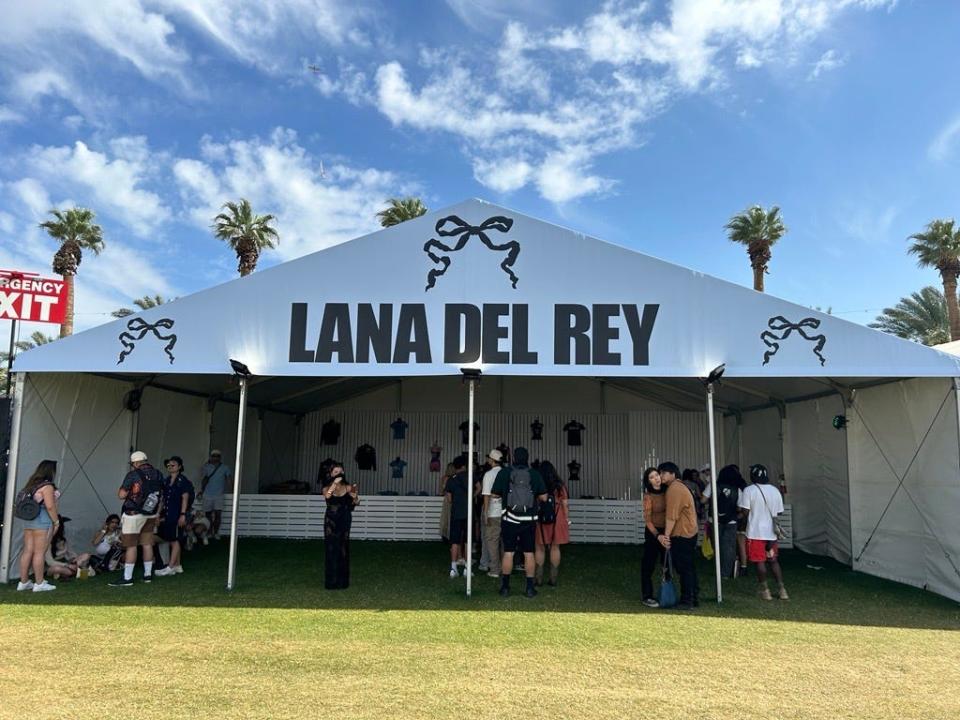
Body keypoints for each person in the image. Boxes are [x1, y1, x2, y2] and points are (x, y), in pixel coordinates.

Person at [491, 447, 548, 598]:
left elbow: (494, 494)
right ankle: (529, 588)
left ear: (513, 458)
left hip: (509, 518)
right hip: (529, 520)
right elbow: (543, 497)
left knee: (508, 552)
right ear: (527, 457)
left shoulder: (505, 473)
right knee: (529, 553)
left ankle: (505, 587)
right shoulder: (534, 474)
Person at [109, 450, 164, 587]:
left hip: (133, 514)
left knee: (131, 545)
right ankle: (147, 574)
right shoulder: (158, 473)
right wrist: (157, 513)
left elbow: (121, 495)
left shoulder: (133, 475)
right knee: (147, 544)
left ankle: (127, 578)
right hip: (150, 513)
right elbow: (161, 495)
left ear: (135, 463)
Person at [739, 464, 788, 600]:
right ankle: (782, 589)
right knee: (773, 560)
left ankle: (765, 590)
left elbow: (745, 511)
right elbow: (779, 511)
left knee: (759, 561)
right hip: (771, 533)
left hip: (755, 533)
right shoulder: (774, 491)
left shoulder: (749, 491)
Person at [16, 460, 61, 592]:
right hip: (42, 519)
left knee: (27, 551)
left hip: (29, 519)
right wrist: (56, 521)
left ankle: (23, 582)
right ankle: (39, 583)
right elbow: (50, 506)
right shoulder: (47, 486)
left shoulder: (31, 484)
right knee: (39, 552)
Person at [659, 461, 699, 609]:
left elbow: (671, 516)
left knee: (684, 569)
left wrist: (666, 536)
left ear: (673, 474)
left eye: (664, 472)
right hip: (689, 533)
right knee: (689, 568)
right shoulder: (681, 487)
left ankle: (687, 600)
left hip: (682, 534)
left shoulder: (674, 489)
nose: (661, 475)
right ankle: (693, 597)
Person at [155, 456, 195, 577]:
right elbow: (162, 499)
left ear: (179, 467)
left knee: (175, 539)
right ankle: (177, 565)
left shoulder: (183, 481)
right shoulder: (166, 481)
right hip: (168, 513)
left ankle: (171, 566)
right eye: (168, 465)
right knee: (172, 538)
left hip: (177, 513)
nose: (170, 467)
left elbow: (185, 497)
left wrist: (182, 514)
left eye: (173, 465)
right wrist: (158, 513)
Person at [534, 460, 569, 587]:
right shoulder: (560, 486)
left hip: (541, 518)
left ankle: (538, 578)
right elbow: (565, 504)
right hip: (558, 517)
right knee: (555, 547)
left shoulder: (538, 484)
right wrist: (567, 519)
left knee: (539, 547)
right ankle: (553, 578)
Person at [704, 465, 743, 579]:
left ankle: (718, 569)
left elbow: (703, 499)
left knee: (717, 545)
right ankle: (726, 572)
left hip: (715, 520)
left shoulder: (713, 485)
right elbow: (740, 508)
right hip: (731, 521)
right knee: (729, 547)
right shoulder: (738, 490)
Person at [323, 464, 358, 589]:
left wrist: (355, 499)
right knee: (331, 548)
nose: (338, 474)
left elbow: (353, 504)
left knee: (343, 548)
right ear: (331, 474)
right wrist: (334, 484)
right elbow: (327, 495)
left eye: (340, 471)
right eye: (335, 471)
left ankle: (342, 582)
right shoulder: (326, 487)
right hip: (331, 520)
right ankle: (331, 582)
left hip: (344, 518)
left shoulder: (348, 487)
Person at [443, 455, 478, 578]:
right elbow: (479, 487)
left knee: (455, 541)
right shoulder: (471, 476)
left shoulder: (451, 479)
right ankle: (467, 568)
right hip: (469, 512)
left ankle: (453, 568)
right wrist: (472, 496)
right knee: (468, 541)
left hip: (456, 512)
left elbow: (449, 498)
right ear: (464, 465)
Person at [640, 467, 667, 607]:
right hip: (653, 532)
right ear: (648, 481)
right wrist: (657, 536)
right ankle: (647, 595)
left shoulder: (668, 490)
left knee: (667, 563)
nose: (656, 478)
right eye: (651, 477)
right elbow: (647, 519)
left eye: (657, 475)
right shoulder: (648, 496)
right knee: (648, 564)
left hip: (667, 531)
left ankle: (667, 593)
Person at [480, 449, 504, 578]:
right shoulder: (506, 473)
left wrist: (485, 513)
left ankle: (495, 569)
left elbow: (486, 495)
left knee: (492, 541)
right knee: (504, 541)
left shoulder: (488, 475)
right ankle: (505, 566)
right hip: (505, 511)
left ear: (492, 460)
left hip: (493, 511)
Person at [199, 450, 232, 540]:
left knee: (218, 514)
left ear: (220, 457)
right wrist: (201, 490)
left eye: (217, 456)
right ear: (211, 457)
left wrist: (232, 490)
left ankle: (216, 532)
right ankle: (209, 532)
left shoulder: (225, 468)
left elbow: (229, 479)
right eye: (213, 456)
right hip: (207, 494)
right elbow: (204, 479)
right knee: (208, 515)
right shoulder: (206, 467)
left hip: (219, 495)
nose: (215, 457)